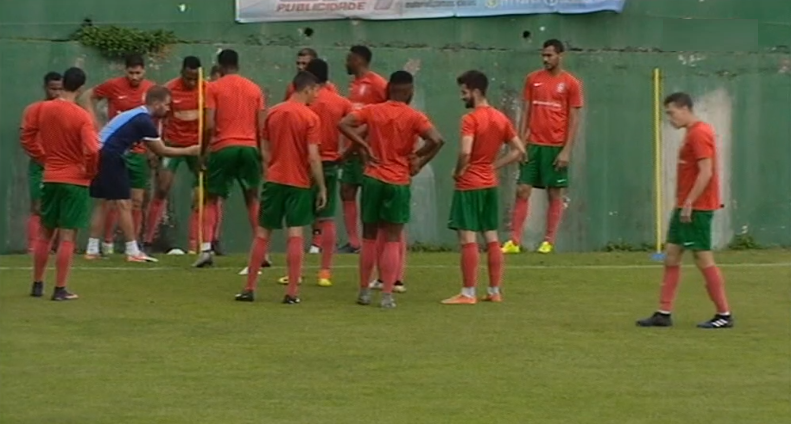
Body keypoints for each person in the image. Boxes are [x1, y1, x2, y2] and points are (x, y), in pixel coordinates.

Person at [339, 70, 444, 309]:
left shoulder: (373, 110)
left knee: (368, 236)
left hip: (373, 177)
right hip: (398, 180)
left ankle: (364, 291)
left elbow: (343, 124)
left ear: (389, 89)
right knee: (393, 238)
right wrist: (418, 160)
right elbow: (437, 140)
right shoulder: (414, 116)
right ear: (409, 91)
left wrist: (363, 145)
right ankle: (387, 294)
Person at [637, 92, 733, 329]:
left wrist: (690, 202)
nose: (670, 118)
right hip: (685, 205)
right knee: (671, 254)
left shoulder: (700, 133)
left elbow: (706, 171)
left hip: (697, 207)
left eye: (671, 113)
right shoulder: (691, 132)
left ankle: (724, 314)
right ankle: (663, 313)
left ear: (684, 108)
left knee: (702, 257)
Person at [235, 71, 325, 304]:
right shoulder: (310, 117)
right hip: (298, 183)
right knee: (295, 233)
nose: (317, 95)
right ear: (308, 89)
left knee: (263, 233)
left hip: (274, 180)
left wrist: (270, 170)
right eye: (316, 90)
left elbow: (264, 149)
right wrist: (322, 187)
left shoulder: (273, 112)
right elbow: (313, 157)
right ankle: (292, 292)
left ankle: (249, 288)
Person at [85, 86, 200, 262]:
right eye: (167, 105)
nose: (169, 109)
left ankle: (92, 249)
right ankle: (132, 250)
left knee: (103, 202)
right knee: (124, 203)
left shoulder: (136, 115)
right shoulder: (143, 120)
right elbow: (161, 150)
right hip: (110, 156)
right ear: (156, 103)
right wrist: (190, 151)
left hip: (100, 153)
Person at [441, 71, 525, 305]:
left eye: (464, 92)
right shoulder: (500, 118)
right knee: (491, 236)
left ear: (475, 91)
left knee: (467, 237)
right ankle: (494, 290)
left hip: (469, 184)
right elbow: (519, 150)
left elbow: (466, 151)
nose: (462, 97)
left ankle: (468, 293)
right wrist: (493, 166)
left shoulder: (470, 119)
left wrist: (459, 171)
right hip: (489, 184)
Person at [502, 39, 583, 255]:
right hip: (533, 145)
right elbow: (526, 111)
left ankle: (548, 241)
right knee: (522, 189)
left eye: (550, 55)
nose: (545, 59)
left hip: (556, 146)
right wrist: (520, 142)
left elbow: (574, 119)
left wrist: (566, 150)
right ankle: (515, 241)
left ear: (560, 56)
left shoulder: (571, 83)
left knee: (554, 193)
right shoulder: (532, 79)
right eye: (543, 55)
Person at [276, 58, 353, 288]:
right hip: (330, 164)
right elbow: (360, 128)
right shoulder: (341, 102)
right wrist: (345, 153)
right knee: (327, 218)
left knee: (296, 220)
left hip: (302, 164)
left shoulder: (303, 99)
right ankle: (325, 272)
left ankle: (295, 274)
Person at [26, 67, 99, 300]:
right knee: (67, 236)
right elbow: (93, 150)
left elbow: (26, 135)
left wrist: (42, 157)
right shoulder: (81, 116)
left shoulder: (42, 109)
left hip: (50, 176)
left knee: (45, 232)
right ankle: (60, 289)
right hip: (74, 180)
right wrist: (89, 171)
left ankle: (37, 284)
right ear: (80, 88)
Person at [193, 49, 268, 268]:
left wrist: (204, 150)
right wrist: (263, 155)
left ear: (220, 65)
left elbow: (208, 124)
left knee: (211, 198)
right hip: (249, 147)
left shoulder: (213, 87)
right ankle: (261, 252)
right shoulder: (254, 89)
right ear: (238, 64)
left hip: (223, 147)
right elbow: (261, 126)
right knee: (252, 198)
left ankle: (206, 249)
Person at [82, 54, 156, 254]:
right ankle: (107, 242)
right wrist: (94, 124)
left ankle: (133, 243)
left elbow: (154, 122)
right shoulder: (113, 85)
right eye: (130, 73)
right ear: (125, 71)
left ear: (144, 71)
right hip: (116, 149)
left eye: (138, 73)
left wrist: (151, 149)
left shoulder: (151, 90)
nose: (134, 77)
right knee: (111, 200)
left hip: (138, 150)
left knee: (137, 200)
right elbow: (88, 96)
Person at [143, 56, 205, 253]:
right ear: (182, 73)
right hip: (173, 145)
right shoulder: (170, 89)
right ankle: (148, 240)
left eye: (195, 79)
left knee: (203, 193)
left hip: (197, 147)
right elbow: (156, 119)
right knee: (162, 188)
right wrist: (153, 149)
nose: (191, 82)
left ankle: (200, 243)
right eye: (188, 78)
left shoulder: (207, 90)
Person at [284, 48, 337, 253]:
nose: (300, 67)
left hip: (319, 153)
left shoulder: (330, 92)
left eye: (304, 64)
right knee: (305, 203)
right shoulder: (293, 89)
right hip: (301, 154)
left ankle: (316, 244)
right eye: (298, 63)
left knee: (319, 204)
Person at [338, 45, 388, 254]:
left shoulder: (377, 83)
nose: (346, 63)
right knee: (347, 190)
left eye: (349, 59)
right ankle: (353, 241)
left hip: (369, 150)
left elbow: (387, 111)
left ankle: (373, 239)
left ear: (358, 60)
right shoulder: (353, 85)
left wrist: (365, 136)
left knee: (369, 194)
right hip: (352, 148)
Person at [20, 72, 63, 253]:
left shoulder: (67, 110)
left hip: (61, 165)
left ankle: (55, 246)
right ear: (45, 88)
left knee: (59, 207)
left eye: (60, 89)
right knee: (38, 206)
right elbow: (24, 137)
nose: (57, 93)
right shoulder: (33, 109)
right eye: (53, 89)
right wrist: (41, 157)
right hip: (39, 165)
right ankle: (33, 247)